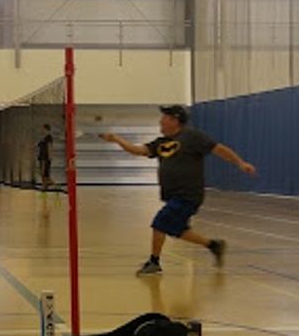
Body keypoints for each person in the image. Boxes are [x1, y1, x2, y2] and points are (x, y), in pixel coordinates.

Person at [100, 105, 255, 276]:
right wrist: (117, 139)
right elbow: (138, 150)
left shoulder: (193, 137)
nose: (160, 122)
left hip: (188, 195)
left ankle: (154, 262)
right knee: (179, 230)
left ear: (174, 120)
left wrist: (240, 163)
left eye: (163, 118)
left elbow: (219, 149)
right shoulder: (160, 143)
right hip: (174, 196)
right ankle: (214, 245)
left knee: (159, 223)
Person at [36, 123, 54, 190]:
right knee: (42, 172)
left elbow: (50, 147)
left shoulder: (49, 137)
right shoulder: (43, 138)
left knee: (44, 172)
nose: (42, 130)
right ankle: (45, 185)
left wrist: (50, 156)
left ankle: (49, 183)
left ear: (46, 129)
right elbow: (38, 145)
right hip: (41, 156)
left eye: (43, 129)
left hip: (45, 157)